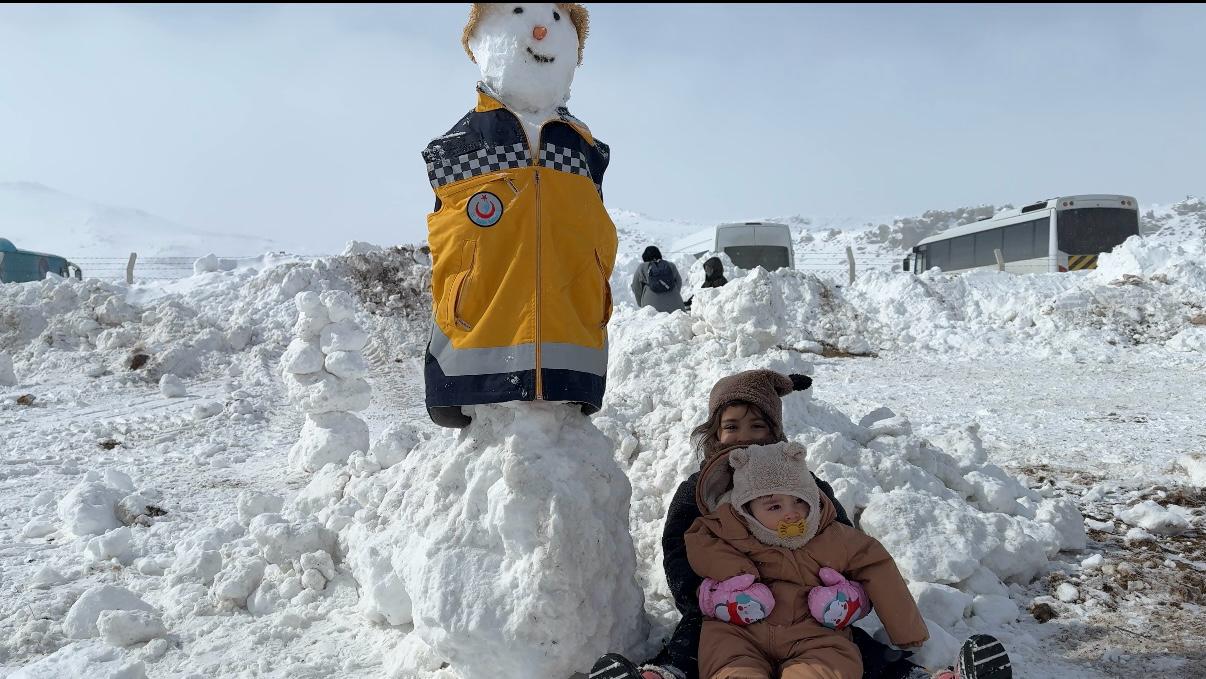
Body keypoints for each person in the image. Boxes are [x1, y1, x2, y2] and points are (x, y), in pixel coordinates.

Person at [590, 370, 1012, 679]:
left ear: (775, 433)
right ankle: (662, 676)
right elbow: (679, 549)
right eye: (732, 426)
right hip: (731, 606)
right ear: (715, 434)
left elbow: (841, 537)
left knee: (848, 644)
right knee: (696, 640)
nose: (745, 435)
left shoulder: (806, 483)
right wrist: (702, 596)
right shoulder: (698, 489)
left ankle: (915, 676)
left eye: (758, 425)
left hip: (808, 607)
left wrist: (843, 593)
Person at [685, 440, 928, 678]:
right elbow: (699, 539)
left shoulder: (830, 535)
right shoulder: (730, 528)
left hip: (814, 633)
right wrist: (738, 571)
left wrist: (906, 629)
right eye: (774, 507)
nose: (791, 513)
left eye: (799, 501)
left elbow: (876, 563)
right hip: (739, 630)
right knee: (729, 663)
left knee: (828, 663)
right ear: (746, 509)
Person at [631, 245, 685, 312]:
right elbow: (679, 281)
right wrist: (672, 293)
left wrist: (641, 303)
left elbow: (636, 287)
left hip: (652, 309)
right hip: (676, 307)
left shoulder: (642, 267)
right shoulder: (670, 265)